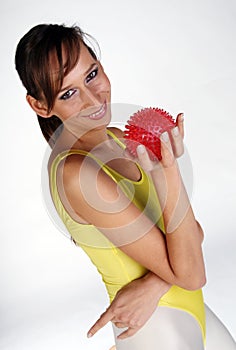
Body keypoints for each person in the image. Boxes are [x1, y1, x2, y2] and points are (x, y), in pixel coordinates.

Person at [15, 23, 236, 350]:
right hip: (154, 329)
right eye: (68, 93)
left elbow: (194, 234)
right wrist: (167, 170)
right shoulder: (76, 174)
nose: (93, 99)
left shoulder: (118, 137)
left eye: (91, 75)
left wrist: (153, 283)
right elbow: (191, 272)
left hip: (184, 309)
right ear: (40, 106)